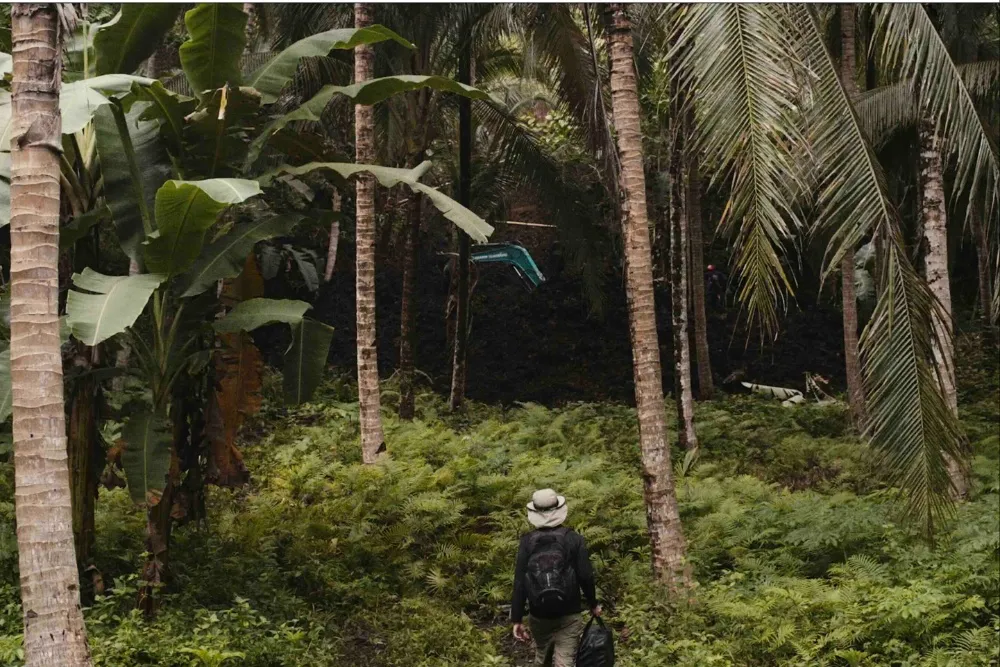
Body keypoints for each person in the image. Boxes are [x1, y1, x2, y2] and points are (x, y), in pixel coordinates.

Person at [511, 489, 601, 667]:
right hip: (569, 612)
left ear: (534, 513)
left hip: (538, 614)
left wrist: (517, 619)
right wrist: (593, 604)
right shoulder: (574, 539)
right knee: (564, 661)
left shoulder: (527, 541)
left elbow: (520, 581)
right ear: (560, 509)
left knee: (541, 656)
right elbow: (585, 575)